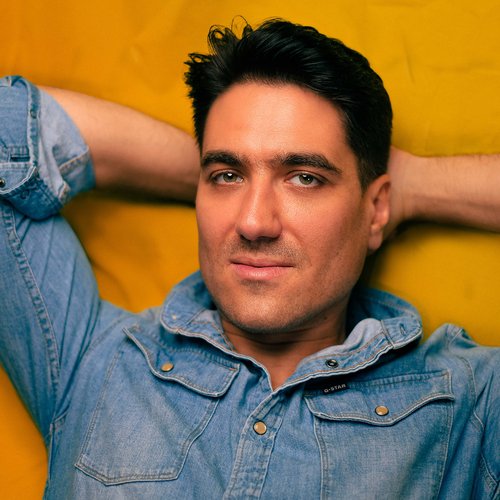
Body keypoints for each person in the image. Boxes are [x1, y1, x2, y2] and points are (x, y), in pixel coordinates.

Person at [0, 18, 498, 499]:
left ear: (376, 208)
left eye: (305, 177)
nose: (254, 222)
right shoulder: (94, 360)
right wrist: (202, 167)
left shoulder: (470, 404)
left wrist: (412, 190)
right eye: (226, 176)